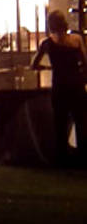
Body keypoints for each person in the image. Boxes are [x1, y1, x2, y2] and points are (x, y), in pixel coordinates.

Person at [33, 10, 87, 165]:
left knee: (60, 121)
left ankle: (61, 156)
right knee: (81, 120)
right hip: (76, 83)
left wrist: (47, 68)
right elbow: (84, 61)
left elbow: (34, 64)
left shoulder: (47, 43)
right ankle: (82, 155)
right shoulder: (76, 40)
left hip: (60, 84)